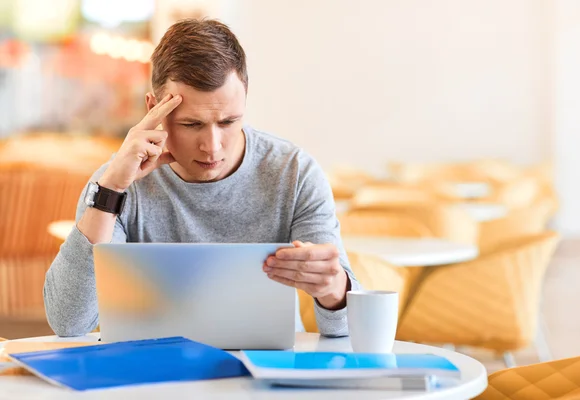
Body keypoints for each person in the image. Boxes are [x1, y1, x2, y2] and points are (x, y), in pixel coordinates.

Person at [44, 18, 360, 337]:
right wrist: (110, 190)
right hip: (151, 373)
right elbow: (69, 322)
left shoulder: (294, 173)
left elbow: (347, 329)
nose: (212, 146)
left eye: (228, 121)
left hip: (266, 372)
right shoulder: (116, 183)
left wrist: (333, 289)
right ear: (154, 109)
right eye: (191, 124)